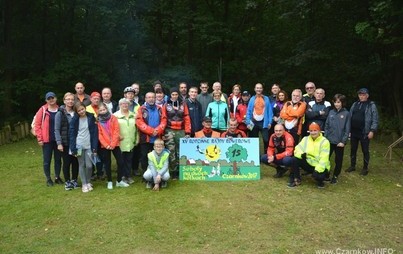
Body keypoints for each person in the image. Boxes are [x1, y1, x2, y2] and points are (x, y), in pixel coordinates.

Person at [346, 88, 379, 176]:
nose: (362, 96)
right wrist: (348, 130)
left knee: (365, 150)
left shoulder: (371, 105)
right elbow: (349, 116)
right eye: (360, 94)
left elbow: (375, 119)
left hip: (365, 132)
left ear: (367, 95)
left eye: (363, 94)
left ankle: (365, 168)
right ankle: (352, 166)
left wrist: (372, 131)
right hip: (354, 131)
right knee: (353, 149)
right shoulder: (355, 104)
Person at [289, 122, 330, 188]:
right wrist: (301, 155)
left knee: (319, 176)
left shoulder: (325, 141)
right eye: (311, 131)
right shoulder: (305, 139)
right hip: (308, 162)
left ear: (319, 131)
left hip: (319, 165)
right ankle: (297, 179)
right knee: (294, 159)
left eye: (315, 130)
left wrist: (317, 170)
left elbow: (324, 159)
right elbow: (298, 149)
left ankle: (321, 181)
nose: (313, 133)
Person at [34, 91, 62, 186]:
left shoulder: (60, 109)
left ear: (56, 98)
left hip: (58, 140)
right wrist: (39, 138)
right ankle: (48, 179)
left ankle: (57, 177)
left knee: (58, 160)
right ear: (46, 100)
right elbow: (37, 125)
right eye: (49, 98)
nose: (51, 100)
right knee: (47, 160)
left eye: (52, 98)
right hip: (47, 140)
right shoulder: (42, 110)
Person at [97, 103, 128, 189]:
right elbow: (100, 135)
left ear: (107, 109)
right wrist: (106, 145)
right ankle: (109, 181)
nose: (103, 111)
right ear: (98, 111)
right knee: (107, 163)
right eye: (101, 110)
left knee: (121, 162)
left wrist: (113, 144)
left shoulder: (113, 118)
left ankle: (119, 180)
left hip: (115, 144)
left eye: (104, 109)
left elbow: (116, 131)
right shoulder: (98, 121)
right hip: (105, 146)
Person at [69, 102, 98, 193]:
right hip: (79, 145)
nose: (81, 111)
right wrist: (73, 148)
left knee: (89, 166)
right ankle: (84, 184)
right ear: (76, 112)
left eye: (82, 109)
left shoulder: (91, 117)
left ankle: (88, 182)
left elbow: (94, 133)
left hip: (89, 145)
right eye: (79, 110)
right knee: (82, 164)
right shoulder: (74, 120)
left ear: (85, 108)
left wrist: (94, 147)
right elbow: (72, 135)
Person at [164, 87, 191, 178]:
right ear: (170, 95)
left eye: (176, 94)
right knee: (171, 151)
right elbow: (163, 119)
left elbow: (187, 118)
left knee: (181, 151)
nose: (174, 96)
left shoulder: (183, 104)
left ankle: (181, 170)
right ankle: (173, 171)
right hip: (169, 130)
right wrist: (162, 132)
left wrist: (187, 131)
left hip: (181, 130)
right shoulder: (166, 105)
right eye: (173, 94)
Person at [136, 92, 167, 171]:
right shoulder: (141, 109)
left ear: (155, 98)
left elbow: (164, 120)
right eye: (149, 97)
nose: (151, 99)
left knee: (158, 156)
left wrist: (158, 130)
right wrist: (151, 131)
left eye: (153, 97)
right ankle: (146, 174)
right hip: (145, 138)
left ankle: (158, 173)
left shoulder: (160, 108)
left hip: (157, 137)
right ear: (146, 99)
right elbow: (139, 122)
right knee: (144, 156)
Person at [55, 92, 79, 190]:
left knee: (75, 162)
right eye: (68, 99)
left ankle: (74, 180)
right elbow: (56, 129)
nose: (70, 101)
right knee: (66, 162)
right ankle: (67, 182)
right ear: (64, 101)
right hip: (65, 142)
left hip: (76, 142)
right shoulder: (59, 113)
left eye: (72, 99)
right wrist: (59, 143)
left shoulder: (76, 113)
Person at [324, 94, 351, 184]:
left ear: (342, 103)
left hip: (339, 142)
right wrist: (326, 137)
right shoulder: (331, 112)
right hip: (329, 140)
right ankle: (326, 174)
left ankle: (335, 175)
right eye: (335, 102)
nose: (336, 104)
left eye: (338, 102)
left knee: (338, 160)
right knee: (326, 158)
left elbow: (347, 129)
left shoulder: (346, 114)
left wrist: (343, 141)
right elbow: (327, 125)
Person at [114, 98, 139, 184]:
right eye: (122, 104)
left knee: (129, 160)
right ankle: (121, 176)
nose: (125, 105)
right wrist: (117, 136)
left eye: (126, 104)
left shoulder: (134, 115)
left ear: (129, 105)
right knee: (121, 161)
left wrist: (137, 139)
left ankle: (128, 176)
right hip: (120, 142)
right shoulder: (115, 116)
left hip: (130, 141)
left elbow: (137, 128)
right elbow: (112, 129)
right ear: (119, 105)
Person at [245, 83, 273, 151]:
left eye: (260, 88)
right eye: (257, 88)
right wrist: (248, 122)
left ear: (262, 89)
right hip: (253, 122)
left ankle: (266, 155)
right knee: (253, 140)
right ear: (255, 89)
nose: (259, 89)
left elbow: (269, 111)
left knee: (266, 139)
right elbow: (248, 111)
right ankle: (254, 155)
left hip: (264, 122)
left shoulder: (266, 98)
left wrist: (270, 122)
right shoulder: (252, 99)